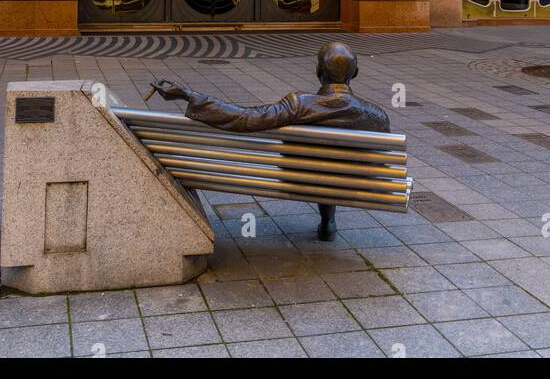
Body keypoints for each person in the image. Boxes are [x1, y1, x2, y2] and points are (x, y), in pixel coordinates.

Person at [150, 41, 390, 241]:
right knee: (330, 159)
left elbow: (244, 118)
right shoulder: (377, 116)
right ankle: (328, 219)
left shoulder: (299, 104)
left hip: (300, 178)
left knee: (316, 156)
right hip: (355, 184)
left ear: (318, 72)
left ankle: (327, 215)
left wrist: (187, 95)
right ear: (355, 74)